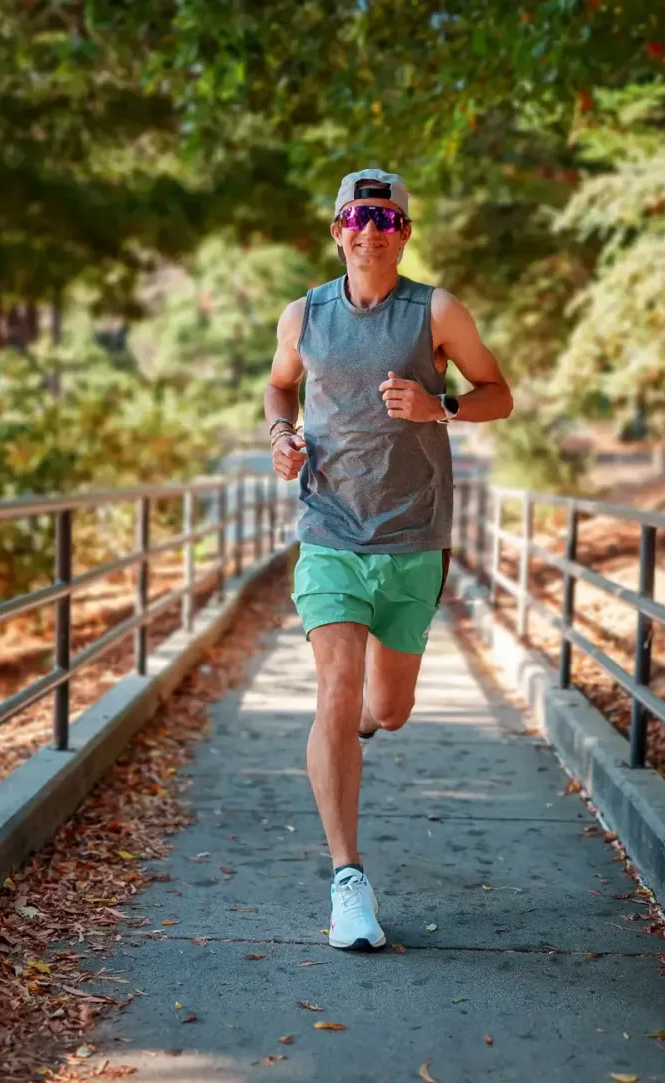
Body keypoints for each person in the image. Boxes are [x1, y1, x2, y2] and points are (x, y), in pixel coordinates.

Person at [264, 168, 513, 951]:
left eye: (386, 218)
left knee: (387, 708)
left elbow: (499, 391)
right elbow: (278, 389)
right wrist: (280, 437)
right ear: (336, 231)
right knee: (335, 694)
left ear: (404, 233)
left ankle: (365, 723)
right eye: (355, 217)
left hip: (413, 535)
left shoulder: (434, 311)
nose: (369, 230)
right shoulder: (304, 314)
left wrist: (441, 405)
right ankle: (348, 881)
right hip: (330, 529)